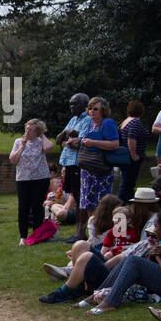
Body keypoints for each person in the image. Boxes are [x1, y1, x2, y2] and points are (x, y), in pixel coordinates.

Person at [84, 208, 161, 315]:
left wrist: (157, 257)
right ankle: (96, 295)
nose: (154, 231)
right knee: (128, 260)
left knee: (133, 261)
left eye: (157, 227)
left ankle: (110, 302)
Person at [74, 97, 121, 242]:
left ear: (104, 110)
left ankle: (101, 235)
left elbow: (114, 144)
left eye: (96, 109)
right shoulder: (90, 124)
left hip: (101, 171)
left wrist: (93, 142)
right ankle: (94, 233)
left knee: (101, 205)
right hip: (87, 171)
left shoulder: (107, 123)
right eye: (90, 108)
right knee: (87, 202)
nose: (92, 111)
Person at [10, 119, 54, 244]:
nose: (27, 131)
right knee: (23, 207)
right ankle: (23, 236)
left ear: (37, 132)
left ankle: (37, 234)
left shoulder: (41, 142)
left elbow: (49, 147)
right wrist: (22, 147)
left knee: (37, 207)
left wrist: (42, 135)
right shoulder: (18, 142)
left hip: (40, 179)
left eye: (31, 129)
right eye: (27, 128)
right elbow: (13, 160)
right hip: (23, 179)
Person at [55, 92, 91, 240]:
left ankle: (81, 233)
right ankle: (77, 232)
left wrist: (69, 138)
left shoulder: (87, 120)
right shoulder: (73, 120)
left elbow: (79, 143)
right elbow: (59, 139)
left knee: (80, 197)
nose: (71, 107)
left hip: (78, 164)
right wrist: (69, 133)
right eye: (70, 104)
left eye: (75, 104)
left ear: (84, 105)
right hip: (69, 163)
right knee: (75, 197)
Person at [117, 100, 149, 203]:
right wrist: (133, 154)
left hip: (124, 157)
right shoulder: (135, 122)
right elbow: (131, 139)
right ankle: (118, 205)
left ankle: (131, 204)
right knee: (127, 183)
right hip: (131, 159)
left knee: (129, 183)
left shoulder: (125, 121)